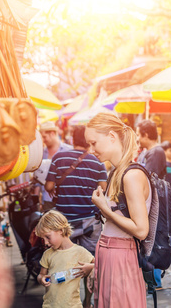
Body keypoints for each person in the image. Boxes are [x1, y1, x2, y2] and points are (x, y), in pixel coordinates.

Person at [85, 112, 150, 308]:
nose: (91, 149)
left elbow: (141, 229)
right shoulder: (115, 172)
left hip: (121, 258)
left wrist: (106, 210)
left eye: (94, 142)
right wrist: (96, 265)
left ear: (112, 137)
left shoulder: (131, 175)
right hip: (111, 256)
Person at [45, 125, 107, 307]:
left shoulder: (59, 157)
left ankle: (67, 301)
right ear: (89, 141)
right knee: (90, 263)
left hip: (65, 224)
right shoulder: (98, 162)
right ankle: (87, 302)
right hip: (90, 221)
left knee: (64, 266)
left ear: (72, 138)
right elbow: (103, 190)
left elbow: (48, 187)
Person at [36, 210, 95, 308]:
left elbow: (100, 265)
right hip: (50, 305)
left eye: (48, 237)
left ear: (61, 230)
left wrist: (91, 267)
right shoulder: (48, 254)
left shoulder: (79, 252)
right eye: (43, 239)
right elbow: (41, 274)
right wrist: (41, 279)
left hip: (73, 305)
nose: (45, 242)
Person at [136, 119, 166, 288]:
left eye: (139, 135)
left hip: (153, 204)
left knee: (152, 242)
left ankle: (154, 281)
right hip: (148, 203)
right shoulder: (149, 152)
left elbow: (149, 179)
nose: (138, 139)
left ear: (146, 135)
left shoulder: (156, 152)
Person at [39, 121, 72, 211]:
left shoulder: (68, 150)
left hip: (66, 198)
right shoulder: (41, 153)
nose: (43, 139)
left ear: (52, 133)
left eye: (44, 136)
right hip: (47, 200)